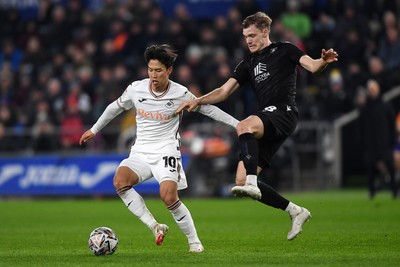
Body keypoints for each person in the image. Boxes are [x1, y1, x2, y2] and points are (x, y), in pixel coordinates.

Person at [176, 12, 338, 240]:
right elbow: (223, 91)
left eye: (252, 35)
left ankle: (253, 183)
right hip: (269, 120)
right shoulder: (248, 63)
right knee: (240, 180)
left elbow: (311, 66)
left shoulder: (285, 50)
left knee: (244, 126)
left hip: (284, 112)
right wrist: (198, 100)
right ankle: (295, 210)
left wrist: (323, 61)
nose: (248, 40)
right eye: (245, 37)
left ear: (265, 32)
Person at [79, 44, 239, 252]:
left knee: (169, 197)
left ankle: (194, 241)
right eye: (150, 70)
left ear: (169, 71)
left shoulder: (180, 93)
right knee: (120, 181)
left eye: (158, 71)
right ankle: (155, 226)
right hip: (141, 151)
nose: (153, 75)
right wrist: (94, 129)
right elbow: (114, 107)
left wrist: (237, 124)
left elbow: (208, 110)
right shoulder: (136, 89)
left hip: (166, 150)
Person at [358, 79, 397, 199]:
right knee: (370, 170)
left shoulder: (386, 106)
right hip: (371, 144)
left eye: (373, 89)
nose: (372, 91)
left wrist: (392, 140)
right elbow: (360, 127)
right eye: (370, 89)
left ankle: (395, 191)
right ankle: (371, 192)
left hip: (384, 143)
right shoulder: (365, 109)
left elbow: (392, 125)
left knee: (391, 168)